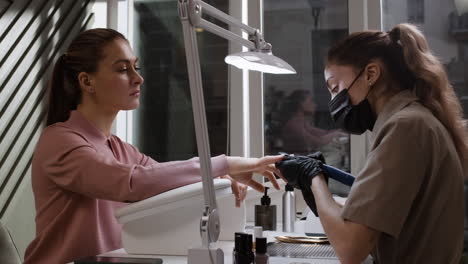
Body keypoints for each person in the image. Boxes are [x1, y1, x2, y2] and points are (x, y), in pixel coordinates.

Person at [23, 28, 283, 264]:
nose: (138, 79)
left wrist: (221, 178)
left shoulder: (120, 149)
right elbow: (133, 184)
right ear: (87, 82)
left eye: (136, 67)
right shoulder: (59, 141)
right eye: (123, 69)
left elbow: (166, 180)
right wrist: (225, 163)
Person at [276, 23, 467, 263]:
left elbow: (350, 248)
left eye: (335, 88)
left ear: (370, 74)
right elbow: (369, 221)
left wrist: (313, 177)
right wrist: (318, 192)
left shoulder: (405, 127)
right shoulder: (415, 120)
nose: (334, 100)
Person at [279, 89, 345, 155]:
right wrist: (336, 134)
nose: (315, 105)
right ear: (301, 104)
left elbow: (322, 133)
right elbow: (318, 142)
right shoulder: (294, 125)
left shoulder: (301, 122)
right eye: (311, 101)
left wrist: (340, 131)